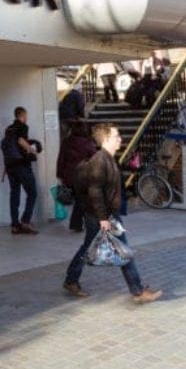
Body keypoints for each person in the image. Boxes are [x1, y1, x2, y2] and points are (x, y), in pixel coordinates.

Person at [63, 123, 162, 303]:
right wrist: (103, 218)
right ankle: (137, 291)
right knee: (120, 250)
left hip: (106, 214)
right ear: (106, 139)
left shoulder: (108, 158)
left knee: (98, 248)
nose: (120, 139)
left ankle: (71, 280)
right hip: (101, 216)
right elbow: (95, 191)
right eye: (116, 136)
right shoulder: (100, 160)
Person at [3, 107, 41, 235]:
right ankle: (25, 222)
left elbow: (11, 145)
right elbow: (20, 141)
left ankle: (15, 225)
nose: (26, 118)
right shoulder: (22, 126)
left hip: (10, 167)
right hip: (22, 165)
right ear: (23, 115)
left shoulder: (9, 129)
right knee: (32, 193)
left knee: (15, 194)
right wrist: (32, 150)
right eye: (26, 115)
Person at [56, 119, 96, 232]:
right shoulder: (87, 143)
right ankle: (76, 223)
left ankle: (77, 223)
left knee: (79, 200)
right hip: (82, 177)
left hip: (68, 176)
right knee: (82, 201)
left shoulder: (66, 142)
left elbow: (61, 159)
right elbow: (94, 158)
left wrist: (59, 174)